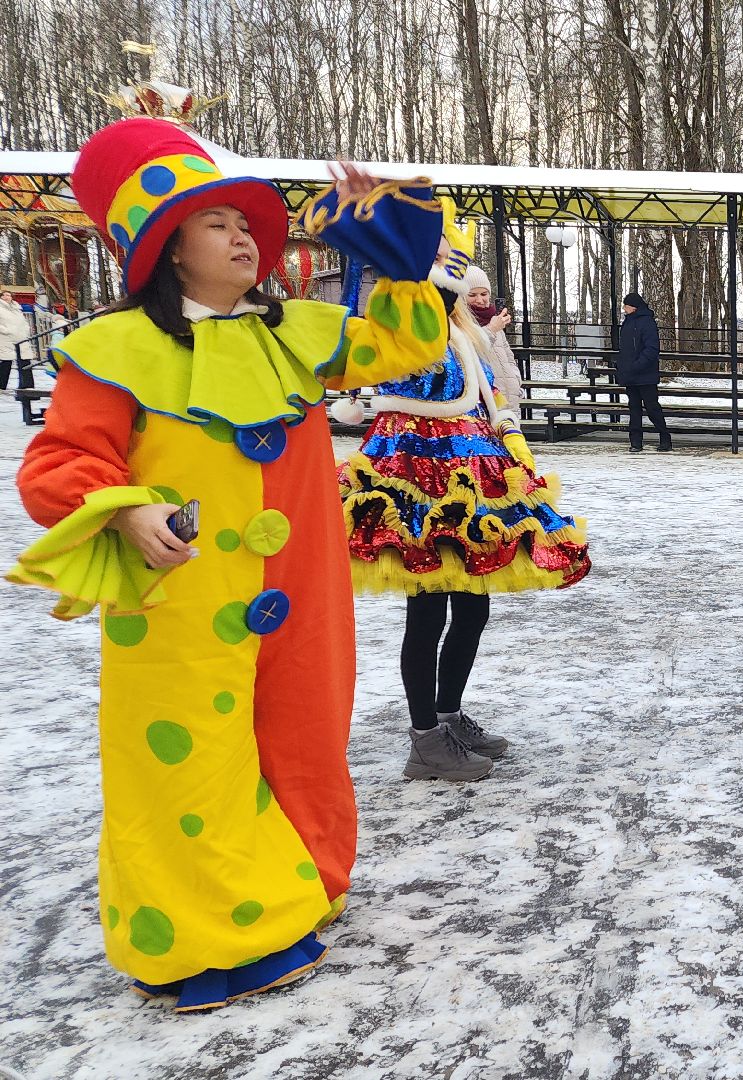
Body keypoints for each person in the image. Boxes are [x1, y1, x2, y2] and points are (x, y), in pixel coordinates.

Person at [6, 119, 451, 1011]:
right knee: (186, 764)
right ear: (166, 248)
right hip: (180, 600)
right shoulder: (112, 349)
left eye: (247, 222)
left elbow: (407, 348)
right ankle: (204, 935)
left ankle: (296, 887)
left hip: (302, 592)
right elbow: (58, 463)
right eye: (217, 223)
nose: (245, 236)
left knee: (304, 736)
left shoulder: (292, 332)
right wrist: (126, 508)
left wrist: (395, 246)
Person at [336, 200, 591, 783]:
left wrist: (505, 430)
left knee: (472, 605)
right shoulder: (405, 315)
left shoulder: (458, 327)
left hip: (472, 469)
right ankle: (424, 737)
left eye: (451, 255)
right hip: (414, 472)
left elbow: (481, 392)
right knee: (425, 609)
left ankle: (448, 714)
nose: (449, 261)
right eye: (439, 253)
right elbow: (383, 360)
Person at [461, 266, 521, 414]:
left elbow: (509, 357)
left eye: (484, 294)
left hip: (509, 398)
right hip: (482, 402)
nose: (480, 300)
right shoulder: (460, 322)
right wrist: (490, 330)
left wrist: (515, 380)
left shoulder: (495, 320)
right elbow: (467, 351)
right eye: (472, 295)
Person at [615, 291, 669, 452]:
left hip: (645, 375)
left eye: (626, 305)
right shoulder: (628, 323)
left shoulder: (647, 323)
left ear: (633, 307)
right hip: (631, 374)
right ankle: (635, 442)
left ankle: (664, 437)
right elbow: (625, 348)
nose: (624, 308)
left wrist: (636, 365)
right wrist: (623, 365)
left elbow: (652, 349)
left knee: (652, 408)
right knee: (634, 409)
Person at [0, 290, 30, 391]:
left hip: (20, 337)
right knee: (6, 361)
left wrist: (26, 330)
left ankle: (26, 385)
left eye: (9, 295)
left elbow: (23, 321)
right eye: (5, 295)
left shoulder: (17, 308)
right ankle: (2, 385)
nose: (7, 297)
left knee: (25, 360)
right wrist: (5, 330)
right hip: (5, 338)